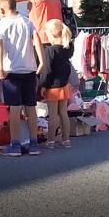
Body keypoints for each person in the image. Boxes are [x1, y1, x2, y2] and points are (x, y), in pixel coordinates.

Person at [0, 0, 45, 157]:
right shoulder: (27, 21)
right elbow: (37, 39)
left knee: (14, 110)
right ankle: (34, 144)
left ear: (2, 9)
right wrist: (42, 61)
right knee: (31, 108)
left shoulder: (1, 25)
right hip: (29, 69)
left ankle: (15, 144)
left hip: (11, 71)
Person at [39, 19, 73, 149]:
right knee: (63, 113)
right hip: (65, 85)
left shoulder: (50, 51)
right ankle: (66, 140)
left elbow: (47, 71)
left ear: (51, 35)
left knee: (53, 115)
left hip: (52, 87)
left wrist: (42, 84)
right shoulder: (67, 49)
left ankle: (51, 140)